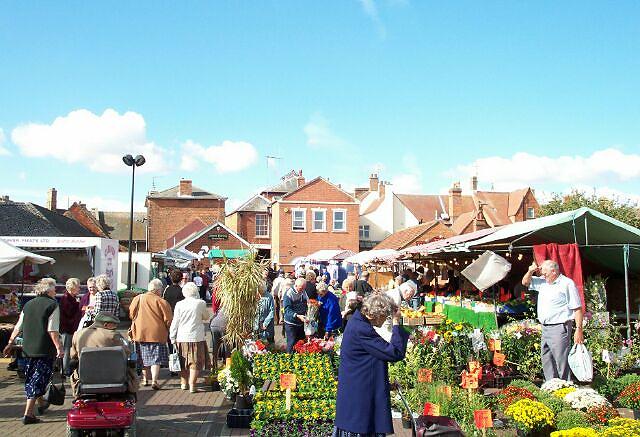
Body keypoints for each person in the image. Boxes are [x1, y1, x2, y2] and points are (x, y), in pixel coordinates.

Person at [334, 292, 409, 436]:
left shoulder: (357, 320)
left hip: (357, 387)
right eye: (385, 316)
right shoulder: (362, 329)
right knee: (363, 429)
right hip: (360, 394)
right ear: (377, 314)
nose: (385, 320)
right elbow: (394, 353)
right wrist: (396, 323)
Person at [3, 278, 64, 425]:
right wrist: (59, 348)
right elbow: (52, 330)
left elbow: (18, 326)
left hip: (27, 349)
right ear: (49, 290)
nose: (56, 291)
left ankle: (42, 403)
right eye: (54, 288)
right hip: (44, 349)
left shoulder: (28, 304)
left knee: (31, 377)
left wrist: (10, 343)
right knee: (37, 380)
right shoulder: (52, 305)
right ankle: (28, 414)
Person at [522, 260, 583, 381]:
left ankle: (566, 387)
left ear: (554, 271)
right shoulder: (543, 282)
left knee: (561, 361)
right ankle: (552, 387)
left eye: (545, 273)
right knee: (547, 360)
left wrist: (579, 330)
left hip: (560, 327)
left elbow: (577, 308)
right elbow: (525, 282)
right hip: (545, 327)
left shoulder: (566, 284)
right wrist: (530, 271)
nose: (542, 276)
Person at [70, 312, 138, 398]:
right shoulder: (113, 335)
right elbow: (126, 353)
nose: (115, 328)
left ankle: (77, 395)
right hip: (113, 377)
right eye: (114, 325)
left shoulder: (78, 334)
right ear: (105, 324)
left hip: (86, 377)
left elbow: (73, 355)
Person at [129, 278, 173, 390]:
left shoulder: (138, 298)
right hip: (157, 333)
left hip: (140, 332)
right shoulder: (161, 301)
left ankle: (145, 379)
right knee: (155, 358)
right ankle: (154, 380)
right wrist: (169, 329)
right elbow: (168, 319)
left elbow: (131, 313)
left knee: (143, 357)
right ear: (158, 290)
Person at [169, 282, 211, 393]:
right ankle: (192, 384)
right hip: (196, 337)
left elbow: (175, 321)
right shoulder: (200, 303)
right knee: (195, 362)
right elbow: (206, 316)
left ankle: (183, 383)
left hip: (182, 336)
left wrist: (172, 336)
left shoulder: (179, 304)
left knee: (182, 361)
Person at [60, 277, 82, 376]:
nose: (79, 289)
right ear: (73, 288)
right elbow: (69, 313)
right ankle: (65, 370)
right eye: (78, 287)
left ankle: (66, 369)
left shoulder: (72, 298)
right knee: (66, 349)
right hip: (67, 328)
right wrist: (78, 305)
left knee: (68, 349)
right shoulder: (66, 298)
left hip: (70, 328)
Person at [282, 278, 308, 352]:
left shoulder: (303, 291)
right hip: (291, 323)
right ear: (295, 285)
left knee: (300, 342)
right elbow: (287, 310)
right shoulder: (289, 294)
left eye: (304, 288)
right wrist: (297, 315)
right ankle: (289, 359)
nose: (302, 290)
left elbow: (307, 302)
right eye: (301, 288)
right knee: (291, 342)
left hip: (301, 322)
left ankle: (298, 359)